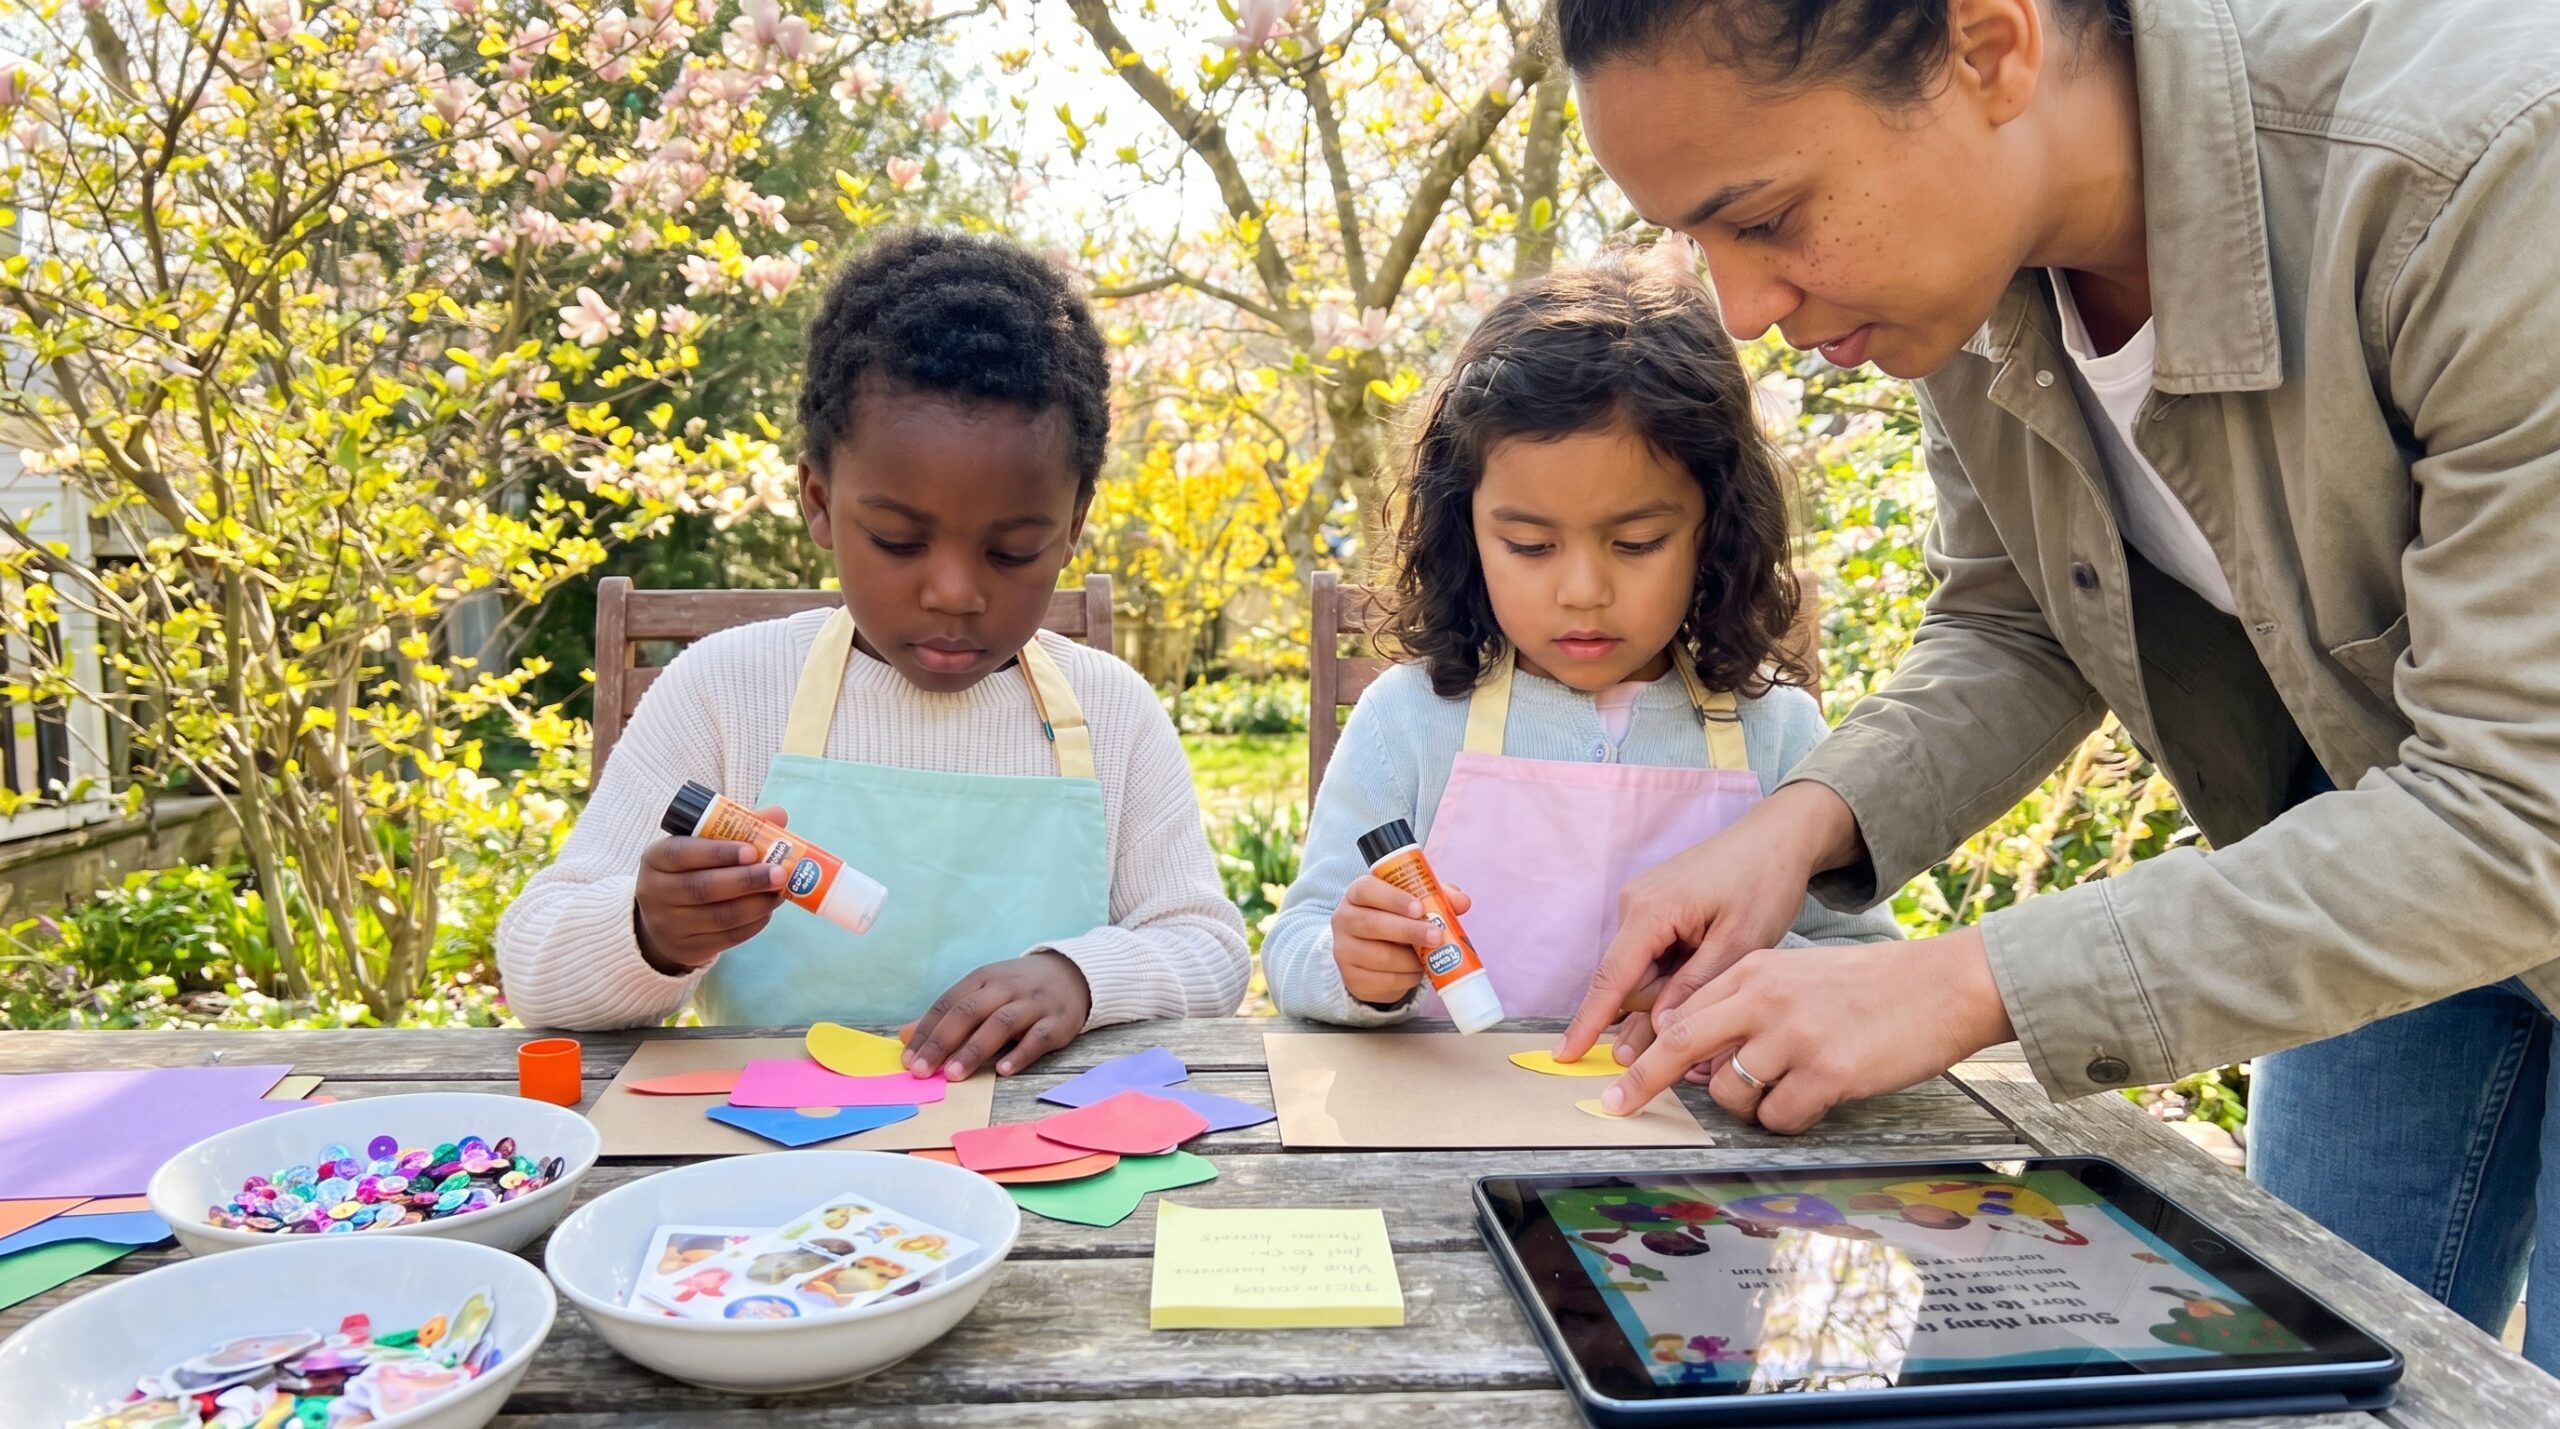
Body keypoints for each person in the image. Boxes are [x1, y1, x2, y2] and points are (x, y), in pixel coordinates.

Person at [1550, 0, 2560, 1367]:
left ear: (1989, 48)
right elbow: (2021, 620)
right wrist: (1795, 828)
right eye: (1699, 243)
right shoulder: (1967, 290)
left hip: (2488, 830)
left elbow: (2519, 807)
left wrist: (1969, 983)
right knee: (2299, 1372)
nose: (1742, 310)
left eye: (1769, 216)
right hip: (2366, 864)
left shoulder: (2490, 167)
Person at [498, 229, 1250, 1078]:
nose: (955, 591)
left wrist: (1083, 976)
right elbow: (535, 964)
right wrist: (649, 931)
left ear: (1072, 526)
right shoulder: (727, 692)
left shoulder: (1112, 713)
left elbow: (1210, 949)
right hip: (771, 1167)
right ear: (819, 502)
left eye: (1012, 551)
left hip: (1034, 1173)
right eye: (897, 540)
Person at [1264, 258, 1898, 1032]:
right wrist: (1354, 967)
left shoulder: (1778, 733)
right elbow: (1297, 943)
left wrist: (1760, 968)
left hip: (1698, 1140)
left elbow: (1861, 958)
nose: (1583, 590)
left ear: (1716, 529)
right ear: (1467, 530)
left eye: (1637, 542)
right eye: (1530, 545)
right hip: (1451, 1142)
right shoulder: (1408, 722)